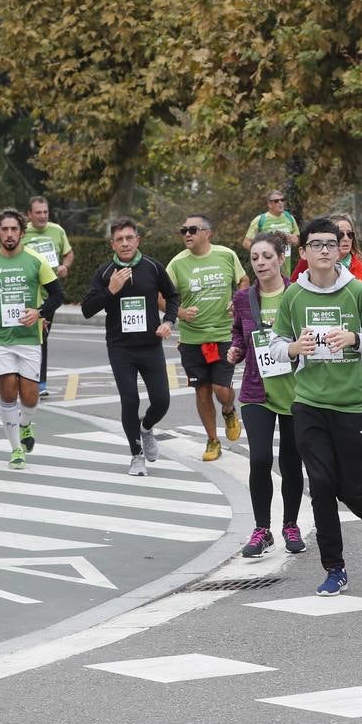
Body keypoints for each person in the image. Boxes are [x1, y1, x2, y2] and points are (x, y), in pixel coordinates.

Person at [267, 217, 362, 596]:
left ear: (341, 249)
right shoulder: (293, 295)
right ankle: (334, 568)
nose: (324, 250)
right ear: (303, 252)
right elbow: (275, 346)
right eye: (316, 244)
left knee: (350, 485)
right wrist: (293, 348)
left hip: (353, 402)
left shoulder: (354, 290)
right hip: (308, 403)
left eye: (331, 243)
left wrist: (354, 337)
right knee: (321, 484)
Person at [228, 232, 306, 556]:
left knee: (291, 463)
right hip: (256, 390)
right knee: (259, 459)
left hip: (295, 390)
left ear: (280, 259)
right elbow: (238, 331)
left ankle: (290, 525)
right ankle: (262, 530)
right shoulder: (243, 298)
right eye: (255, 257)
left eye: (267, 256)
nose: (260, 262)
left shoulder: (298, 294)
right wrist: (235, 350)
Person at [82, 217, 179, 475]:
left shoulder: (152, 267)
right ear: (112, 244)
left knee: (161, 400)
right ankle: (136, 456)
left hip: (150, 345)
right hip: (120, 347)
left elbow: (172, 296)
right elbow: (87, 310)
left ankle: (146, 428)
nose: (125, 243)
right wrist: (110, 290)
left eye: (129, 238)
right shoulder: (104, 273)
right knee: (129, 399)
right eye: (119, 239)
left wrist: (169, 321)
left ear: (138, 240)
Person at [0, 209, 64, 469]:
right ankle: (15, 450)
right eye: (4, 230)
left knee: (30, 397)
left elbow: (57, 295)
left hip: (28, 336)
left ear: (22, 232)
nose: (9, 234)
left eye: (14, 230)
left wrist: (40, 312)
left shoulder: (35, 260)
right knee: (8, 391)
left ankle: (25, 424)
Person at [166, 213, 247, 461]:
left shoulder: (226, 255)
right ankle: (213, 441)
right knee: (201, 391)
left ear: (207, 233)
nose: (187, 234)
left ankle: (229, 409)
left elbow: (243, 280)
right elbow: (161, 296)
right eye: (184, 230)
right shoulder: (177, 264)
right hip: (192, 339)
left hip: (223, 334)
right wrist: (178, 312)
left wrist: (237, 300)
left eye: (193, 229)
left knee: (221, 389)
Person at [23, 195, 74, 397]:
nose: (42, 216)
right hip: (27, 294)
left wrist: (64, 266)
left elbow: (68, 254)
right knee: (29, 336)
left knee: (41, 336)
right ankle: (27, 378)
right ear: (29, 214)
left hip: (49, 294)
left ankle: (40, 382)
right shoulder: (22, 232)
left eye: (45, 212)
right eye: (38, 213)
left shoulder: (57, 231)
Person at [291, 213, 362, 303]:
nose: (346, 238)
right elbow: (293, 295)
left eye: (350, 234)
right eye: (340, 234)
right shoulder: (308, 262)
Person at [242, 189, 300, 275]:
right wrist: (262, 252)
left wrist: (290, 238)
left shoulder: (290, 218)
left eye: (282, 200)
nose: (280, 203)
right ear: (269, 204)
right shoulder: (260, 220)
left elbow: (297, 241)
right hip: (267, 266)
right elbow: (246, 242)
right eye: (276, 201)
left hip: (285, 265)